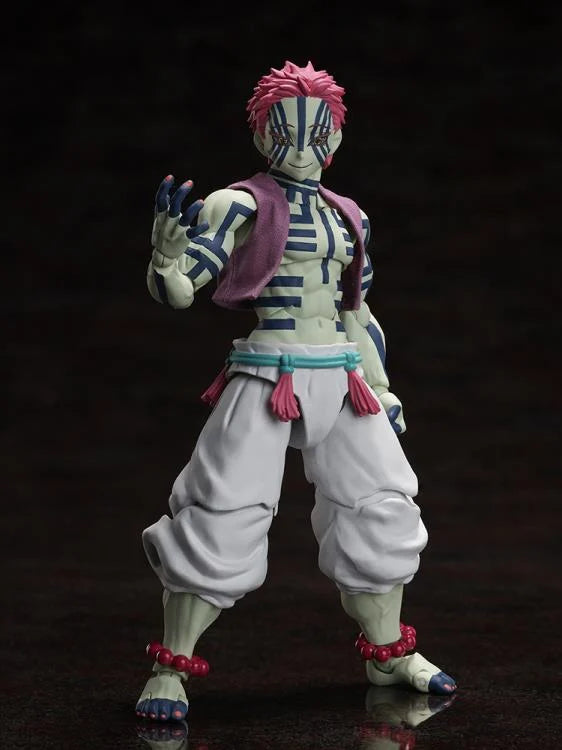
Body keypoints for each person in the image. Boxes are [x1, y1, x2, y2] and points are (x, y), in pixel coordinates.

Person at [136, 60, 456, 723]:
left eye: (318, 132)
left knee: (381, 507)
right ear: (262, 135)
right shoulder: (237, 204)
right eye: (285, 131)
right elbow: (182, 288)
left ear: (335, 138)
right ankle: (171, 670)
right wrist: (164, 259)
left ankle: (388, 653)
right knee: (222, 509)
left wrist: (381, 386)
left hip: (342, 374)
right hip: (269, 370)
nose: (303, 146)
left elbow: (356, 311)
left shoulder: (349, 216)